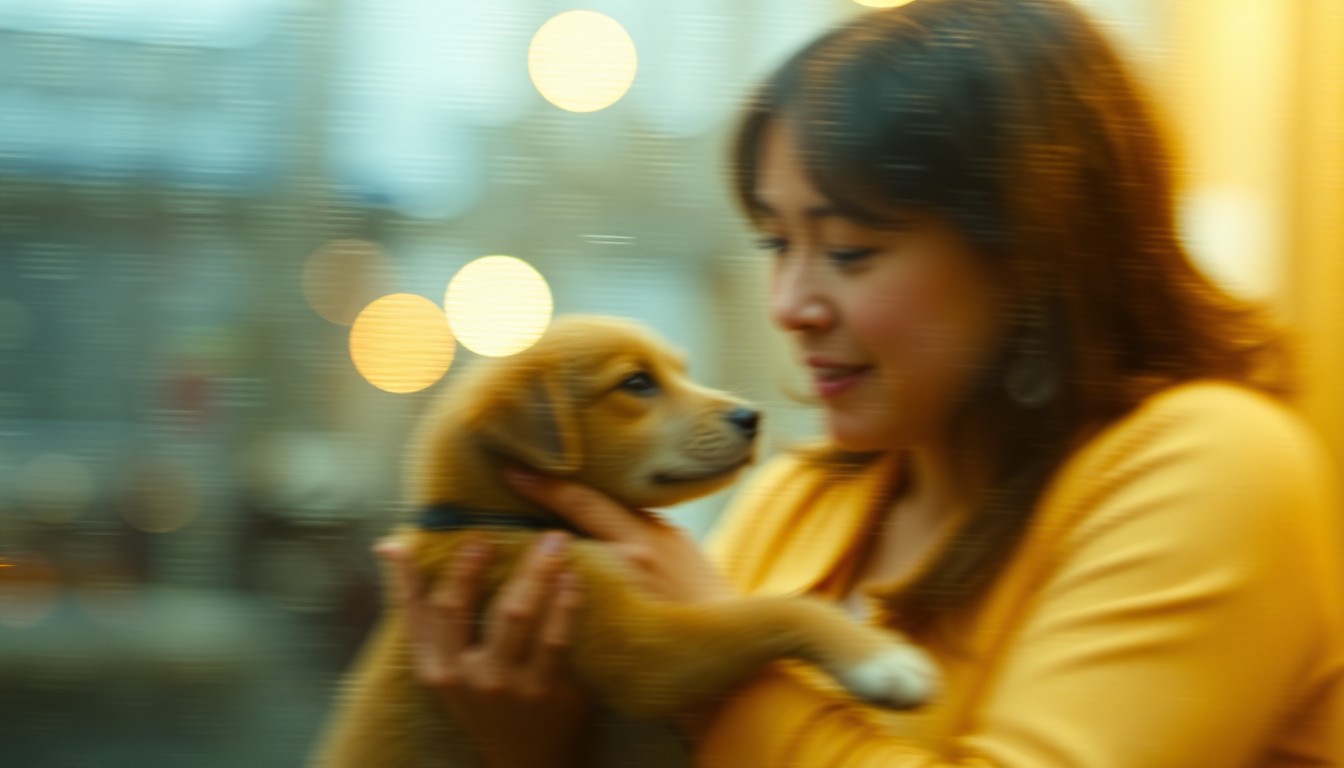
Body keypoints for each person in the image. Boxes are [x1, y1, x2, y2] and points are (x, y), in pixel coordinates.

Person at [375, 0, 1344, 765]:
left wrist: (717, 657)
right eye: (774, 242)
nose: (790, 302)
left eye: (848, 249)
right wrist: (527, 748)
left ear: (1032, 254)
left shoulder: (1211, 462)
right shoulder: (802, 497)